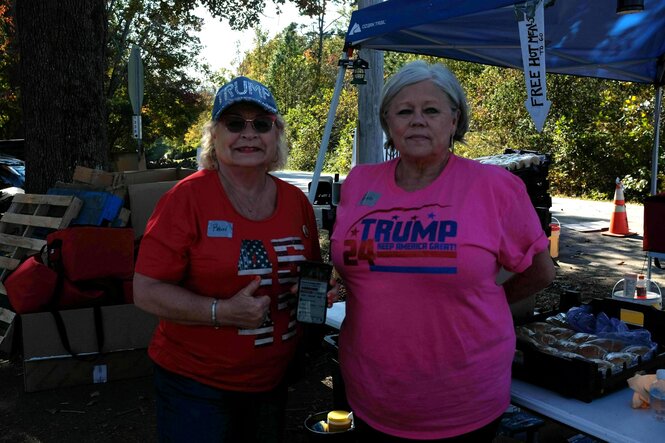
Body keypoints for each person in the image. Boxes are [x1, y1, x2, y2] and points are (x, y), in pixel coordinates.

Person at [330, 60, 556, 441]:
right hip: (372, 389)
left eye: (431, 110)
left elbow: (540, 271)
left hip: (461, 397)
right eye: (405, 111)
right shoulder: (359, 182)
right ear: (388, 123)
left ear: (454, 120)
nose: (417, 120)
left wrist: (479, 304)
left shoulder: (495, 186)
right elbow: (354, 263)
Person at [133, 76, 323, 443]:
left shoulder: (296, 201)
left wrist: (313, 290)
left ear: (276, 135)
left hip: (272, 381)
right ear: (214, 136)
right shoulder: (186, 199)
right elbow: (146, 290)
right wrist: (220, 311)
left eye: (261, 124)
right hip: (196, 387)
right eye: (234, 123)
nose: (248, 134)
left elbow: (304, 273)